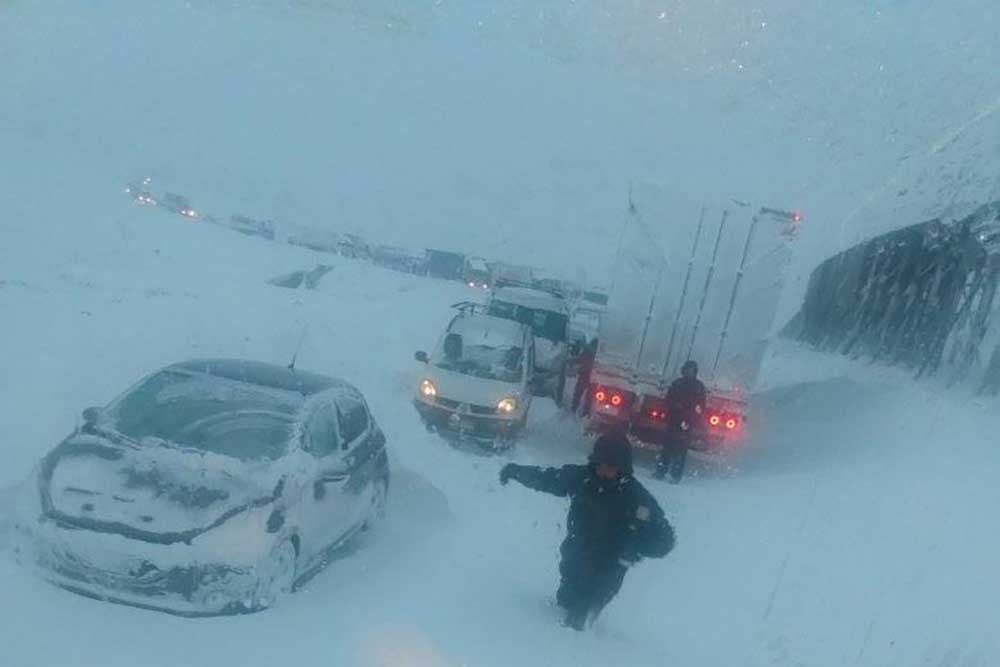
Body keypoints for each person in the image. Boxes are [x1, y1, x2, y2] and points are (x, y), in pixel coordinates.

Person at [499, 431, 675, 630]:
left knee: (582, 616)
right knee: (565, 602)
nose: (603, 471)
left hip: (609, 567)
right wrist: (515, 471)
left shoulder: (636, 498)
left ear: (622, 468)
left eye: (610, 467)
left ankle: (580, 646)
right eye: (600, 464)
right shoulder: (583, 478)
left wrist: (636, 548)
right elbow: (548, 478)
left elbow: (665, 541)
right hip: (576, 553)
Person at [655, 359, 707, 483]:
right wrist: (673, 409)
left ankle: (675, 475)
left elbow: (701, 406)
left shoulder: (699, 387)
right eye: (688, 370)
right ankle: (661, 472)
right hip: (674, 420)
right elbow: (668, 400)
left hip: (687, 423)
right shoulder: (677, 383)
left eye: (692, 370)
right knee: (667, 448)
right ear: (684, 370)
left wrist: (692, 417)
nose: (689, 372)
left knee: (681, 451)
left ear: (695, 372)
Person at [570, 337, 598, 416]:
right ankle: (586, 412)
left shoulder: (587, 351)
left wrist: (571, 361)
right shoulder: (598, 354)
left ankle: (574, 408)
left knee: (578, 392)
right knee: (589, 396)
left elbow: (579, 359)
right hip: (593, 377)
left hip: (584, 374)